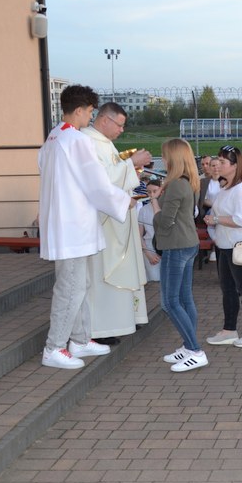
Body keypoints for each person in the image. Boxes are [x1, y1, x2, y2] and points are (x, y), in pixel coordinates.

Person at [37, 85, 134, 370]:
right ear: (79, 110)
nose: (91, 116)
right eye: (90, 111)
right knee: (70, 288)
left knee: (80, 285)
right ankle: (54, 347)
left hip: (66, 223)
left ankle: (79, 339)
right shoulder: (76, 140)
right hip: (73, 226)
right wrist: (123, 200)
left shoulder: (54, 137)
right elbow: (96, 182)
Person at [80, 102, 151, 343]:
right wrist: (131, 163)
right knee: (103, 275)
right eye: (119, 125)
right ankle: (100, 330)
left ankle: (122, 321)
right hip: (103, 224)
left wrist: (131, 170)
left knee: (119, 269)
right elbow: (101, 182)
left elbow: (113, 175)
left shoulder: (104, 143)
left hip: (118, 219)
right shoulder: (88, 142)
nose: (122, 130)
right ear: (104, 120)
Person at [152, 139, 208, 372]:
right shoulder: (189, 181)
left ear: (173, 158)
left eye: (165, 155)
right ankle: (188, 345)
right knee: (184, 298)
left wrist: (154, 202)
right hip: (188, 244)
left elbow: (165, 222)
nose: (162, 159)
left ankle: (195, 350)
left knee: (170, 302)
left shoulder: (176, 184)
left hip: (176, 246)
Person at [205, 145, 242, 348]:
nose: (217, 165)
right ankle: (229, 330)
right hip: (226, 245)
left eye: (222, 162)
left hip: (240, 245)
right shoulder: (226, 186)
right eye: (218, 161)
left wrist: (216, 219)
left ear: (234, 165)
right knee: (228, 289)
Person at [137, 179, 162, 282]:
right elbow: (139, 235)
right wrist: (147, 253)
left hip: (166, 248)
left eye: (155, 191)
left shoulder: (167, 207)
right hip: (150, 249)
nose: (152, 194)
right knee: (154, 280)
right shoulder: (143, 210)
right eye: (149, 192)